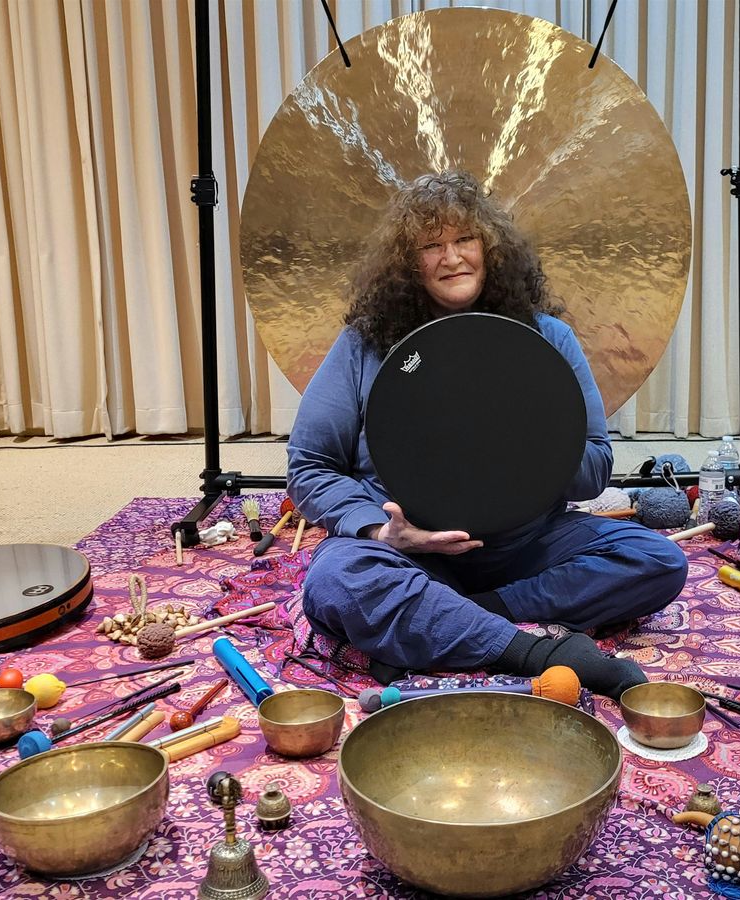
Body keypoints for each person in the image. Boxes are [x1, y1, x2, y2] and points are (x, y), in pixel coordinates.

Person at [286, 170, 687, 700]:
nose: (451, 257)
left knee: (657, 561)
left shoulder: (548, 338)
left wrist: (521, 430)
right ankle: (537, 653)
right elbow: (310, 465)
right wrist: (383, 534)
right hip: (413, 551)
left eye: (465, 239)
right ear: (408, 264)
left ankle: (456, 617)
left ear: (491, 249)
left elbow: (594, 469)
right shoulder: (365, 344)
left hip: (525, 546)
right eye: (431, 246)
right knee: (336, 578)